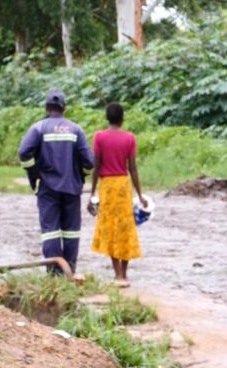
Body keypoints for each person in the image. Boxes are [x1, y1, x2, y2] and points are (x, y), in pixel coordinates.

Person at [19, 89, 94, 274]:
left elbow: (24, 153)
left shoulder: (38, 128)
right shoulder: (76, 130)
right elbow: (89, 162)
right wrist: (81, 176)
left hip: (47, 189)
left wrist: (34, 174)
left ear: (46, 108)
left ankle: (54, 275)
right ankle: (70, 273)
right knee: (71, 233)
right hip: (72, 189)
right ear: (64, 108)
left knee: (51, 232)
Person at [89, 102, 148, 287]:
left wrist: (92, 193)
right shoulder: (129, 138)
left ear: (107, 118)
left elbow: (96, 167)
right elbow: (133, 169)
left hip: (107, 187)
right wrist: (140, 195)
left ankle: (117, 275)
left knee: (111, 229)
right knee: (125, 228)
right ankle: (125, 274)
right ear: (122, 119)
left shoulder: (99, 137)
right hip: (123, 186)